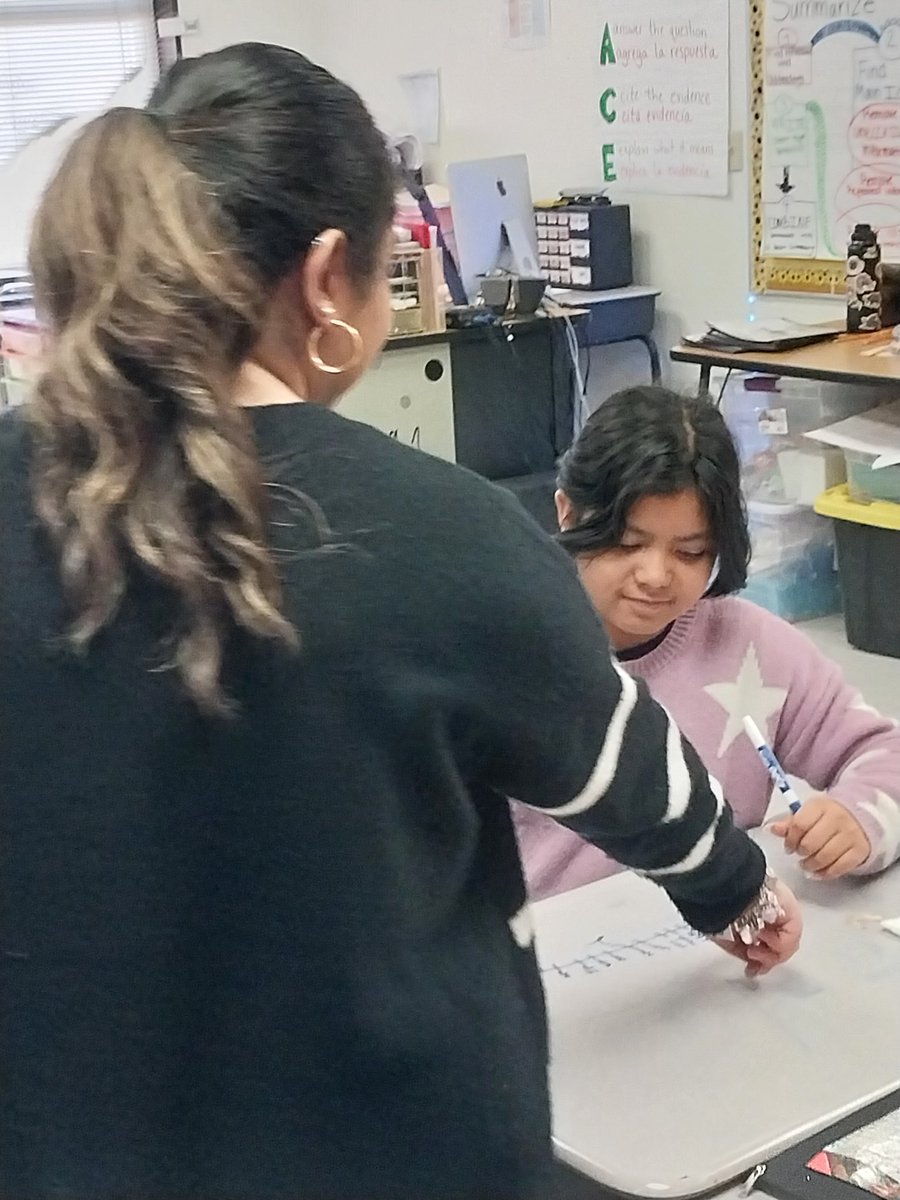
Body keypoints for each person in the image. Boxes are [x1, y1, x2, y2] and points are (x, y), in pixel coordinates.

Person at [0, 46, 800, 1200]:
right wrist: (738, 891)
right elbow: (632, 775)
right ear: (330, 279)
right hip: (392, 1146)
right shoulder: (446, 536)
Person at [514, 387, 900, 902]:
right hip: (548, 953)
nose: (655, 576)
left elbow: (883, 751)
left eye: (690, 551)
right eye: (627, 544)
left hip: (716, 942)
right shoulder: (502, 652)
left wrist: (859, 820)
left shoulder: (749, 645)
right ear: (567, 512)